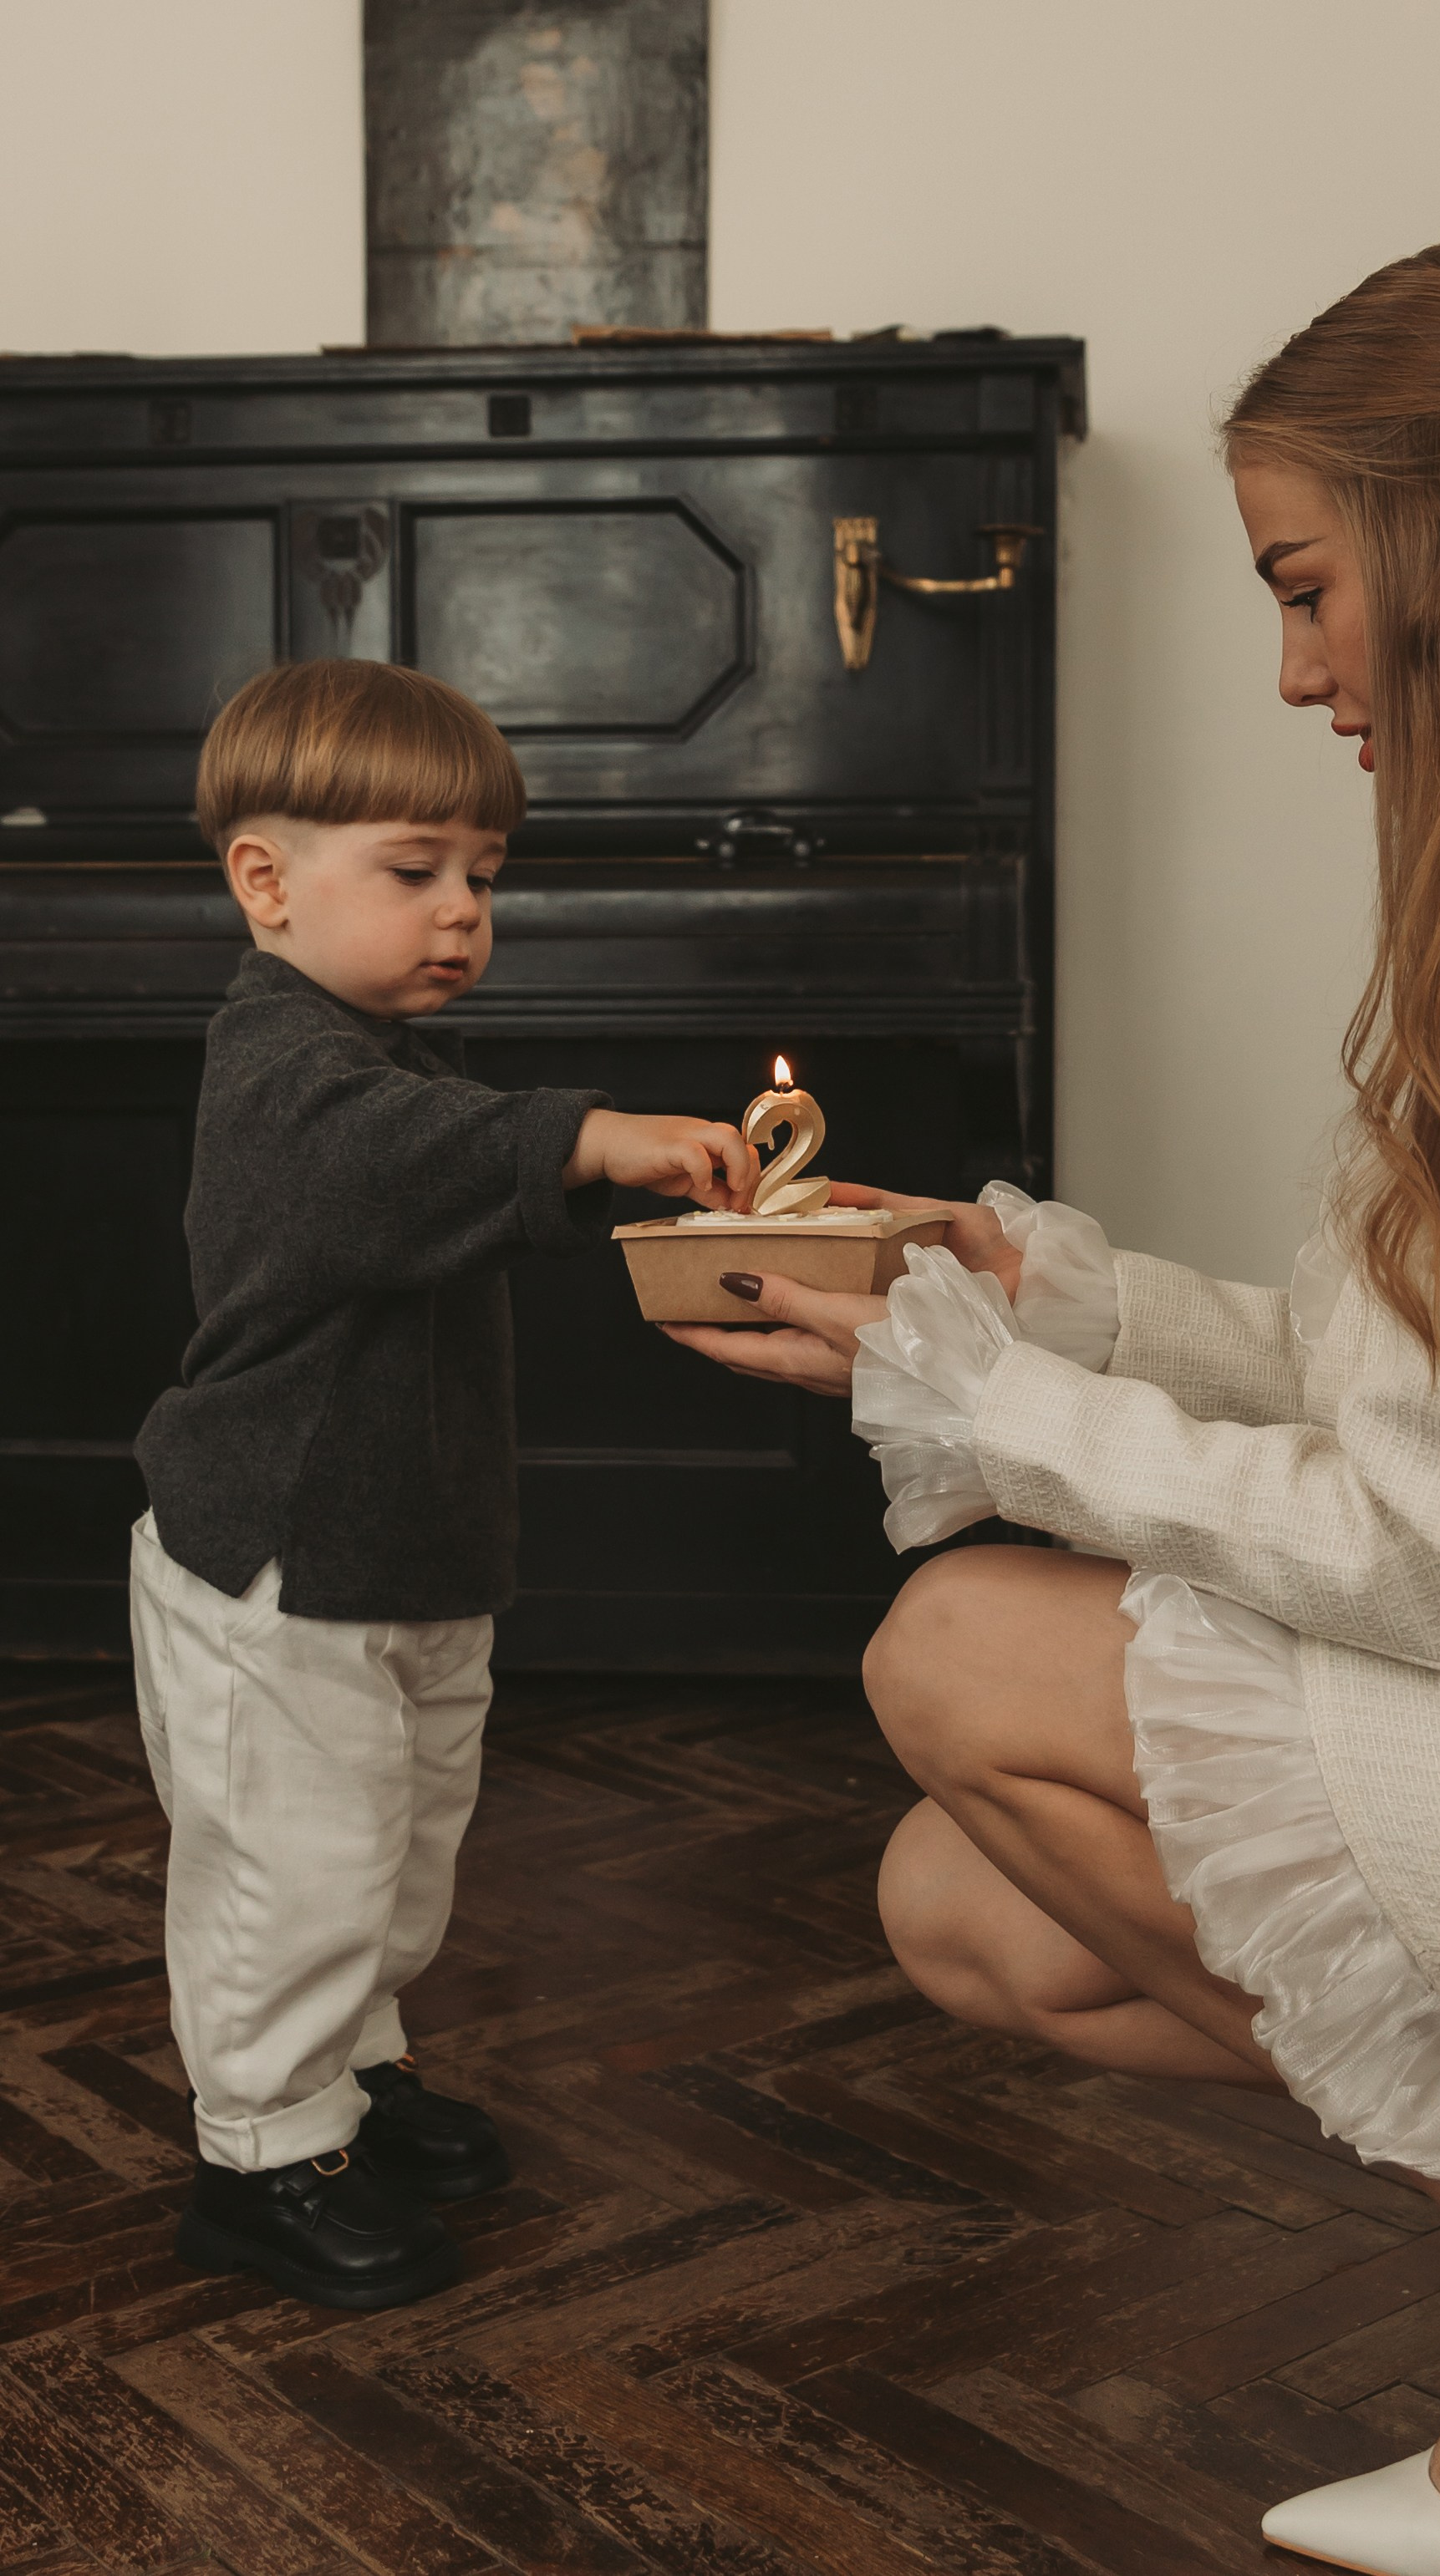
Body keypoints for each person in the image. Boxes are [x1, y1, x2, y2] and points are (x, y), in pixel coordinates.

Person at [668, 233, 1440, 2572]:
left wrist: (955, 1388)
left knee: (958, 1656)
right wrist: (1032, 1296)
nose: (1291, 666)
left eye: (1309, 583)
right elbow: (1415, 1400)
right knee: (975, 1905)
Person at [131, 658, 756, 2313]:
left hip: (405, 1553)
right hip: (280, 1557)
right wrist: (596, 1136)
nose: (463, 911)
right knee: (297, 1861)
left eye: (482, 874)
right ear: (265, 880)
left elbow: (450, 1174)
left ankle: (356, 2075)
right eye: (415, 871)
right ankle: (260, 2153)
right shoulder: (282, 1059)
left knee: (400, 1844)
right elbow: (384, 1176)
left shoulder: (385, 1054)